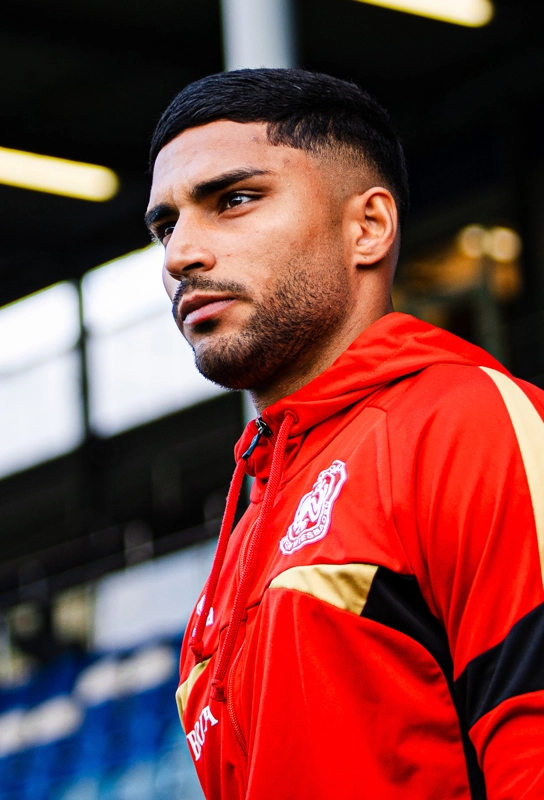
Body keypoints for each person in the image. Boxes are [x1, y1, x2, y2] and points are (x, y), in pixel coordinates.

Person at [146, 69, 544, 799]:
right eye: (166, 226)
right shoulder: (244, 534)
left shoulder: (467, 423)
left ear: (368, 227)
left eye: (234, 200)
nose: (179, 256)